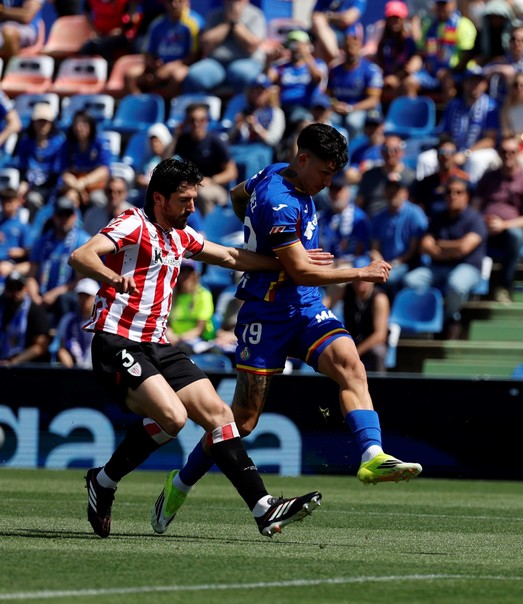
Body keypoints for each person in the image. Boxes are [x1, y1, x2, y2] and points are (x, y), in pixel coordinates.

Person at [158, 125, 422, 535]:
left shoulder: (272, 172)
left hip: (306, 307)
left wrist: (259, 234)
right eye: (324, 172)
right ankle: (180, 484)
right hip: (266, 314)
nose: (328, 183)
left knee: (350, 364)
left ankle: (372, 456)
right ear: (303, 159)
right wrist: (360, 272)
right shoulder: (279, 202)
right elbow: (300, 270)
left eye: (334, 174)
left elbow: (238, 195)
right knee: (241, 423)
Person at [67, 158, 324, 539]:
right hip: (117, 341)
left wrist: (288, 264)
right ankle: (104, 481)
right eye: (184, 200)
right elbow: (81, 255)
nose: (192, 207)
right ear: (159, 198)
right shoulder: (133, 223)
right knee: (172, 419)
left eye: (193, 199)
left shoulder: (181, 236)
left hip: (157, 345)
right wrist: (111, 276)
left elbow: (230, 256)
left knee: (220, 416)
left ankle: (264, 508)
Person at [404, 175, 486, 338]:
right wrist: (452, 250)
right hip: (438, 266)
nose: (453, 196)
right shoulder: (438, 217)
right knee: (411, 280)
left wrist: (440, 244)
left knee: (456, 285)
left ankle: (449, 319)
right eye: (449, 192)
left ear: (467, 196)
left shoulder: (475, 219)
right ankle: (426, 317)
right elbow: (425, 245)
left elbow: (464, 248)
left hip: (468, 267)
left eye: (458, 192)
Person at [475, 136, 523, 304]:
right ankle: (471, 285)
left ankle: (503, 287)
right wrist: (481, 222)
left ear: (518, 153)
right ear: (498, 154)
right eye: (504, 152)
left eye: (512, 152)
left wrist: (504, 225)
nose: (508, 155)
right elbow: (474, 207)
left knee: (516, 236)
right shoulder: (488, 177)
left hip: (509, 230)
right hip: (484, 227)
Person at [183, 0, 266, 95]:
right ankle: (196, 104)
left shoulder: (256, 15)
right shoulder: (215, 15)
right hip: (216, 63)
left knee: (241, 74)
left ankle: (242, 104)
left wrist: (236, 23)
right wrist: (227, 23)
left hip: (247, 61)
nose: (233, 3)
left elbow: (251, 45)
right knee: (195, 75)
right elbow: (206, 44)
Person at [170, 104, 238, 217]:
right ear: (186, 122)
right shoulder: (183, 140)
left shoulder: (215, 141)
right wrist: (176, 135)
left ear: (206, 121)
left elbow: (232, 172)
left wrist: (210, 180)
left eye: (201, 120)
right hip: (191, 185)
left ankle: (208, 227)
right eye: (192, 120)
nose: (196, 124)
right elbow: (165, 160)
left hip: (215, 187)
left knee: (202, 194)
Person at [370, 177, 428, 295]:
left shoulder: (415, 213)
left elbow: (413, 250)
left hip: (408, 263)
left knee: (390, 278)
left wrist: (394, 263)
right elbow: (375, 248)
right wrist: (379, 262)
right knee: (361, 272)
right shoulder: (378, 217)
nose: (393, 193)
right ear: (385, 193)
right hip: (386, 262)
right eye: (389, 190)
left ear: (405, 193)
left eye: (396, 190)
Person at [328, 24, 385, 141]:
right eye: (348, 46)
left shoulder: (370, 70)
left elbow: (373, 100)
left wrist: (350, 108)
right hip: (339, 110)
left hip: (360, 109)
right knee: (327, 121)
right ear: (343, 48)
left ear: (360, 46)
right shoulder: (335, 70)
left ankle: (353, 150)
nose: (351, 50)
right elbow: (329, 95)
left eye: (355, 45)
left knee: (352, 121)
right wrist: (335, 105)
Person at [340, 273, 390, 372]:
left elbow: (380, 336)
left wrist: (356, 352)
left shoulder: (379, 298)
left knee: (378, 351)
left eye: (366, 277)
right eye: (358, 277)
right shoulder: (346, 292)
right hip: (352, 340)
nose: (361, 281)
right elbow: (326, 302)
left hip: (370, 344)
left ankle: (380, 380)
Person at [0, 271, 50, 365]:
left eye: (18, 288)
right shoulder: (2, 308)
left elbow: (41, 346)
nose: (15, 292)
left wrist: (13, 362)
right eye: (11, 288)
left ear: (25, 289)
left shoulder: (35, 311)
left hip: (26, 366)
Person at [166, 263, 214, 351]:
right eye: (182, 272)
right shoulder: (171, 295)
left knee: (183, 349)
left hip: (197, 340)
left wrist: (179, 338)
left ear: (195, 275)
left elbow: (199, 329)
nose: (185, 276)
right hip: (173, 339)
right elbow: (167, 322)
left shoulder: (203, 295)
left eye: (189, 272)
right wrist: (170, 334)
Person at [57, 277, 100, 368]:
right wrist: (69, 367)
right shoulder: (68, 320)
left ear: (95, 298)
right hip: (75, 369)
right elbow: (62, 347)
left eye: (87, 297)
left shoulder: (102, 322)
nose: (84, 300)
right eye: (81, 296)